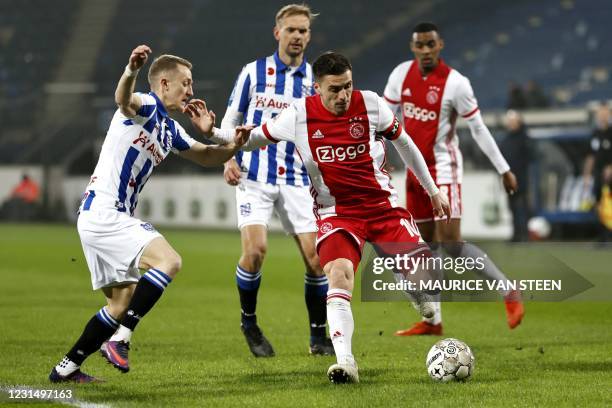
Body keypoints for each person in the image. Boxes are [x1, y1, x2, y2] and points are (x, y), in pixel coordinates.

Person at [206, 51, 451, 383]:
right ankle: (346, 362)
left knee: (427, 280)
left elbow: (404, 144)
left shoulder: (371, 104)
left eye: (348, 86)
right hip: (338, 213)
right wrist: (215, 134)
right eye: (334, 89)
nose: (343, 96)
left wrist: (432, 191)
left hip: (382, 207)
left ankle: (415, 288)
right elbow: (250, 139)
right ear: (317, 87)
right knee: (338, 274)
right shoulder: (298, 115)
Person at [49, 45, 246, 383]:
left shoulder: (171, 129)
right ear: (164, 83)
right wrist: (131, 69)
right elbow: (123, 100)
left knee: (121, 303)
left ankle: (65, 369)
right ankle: (120, 339)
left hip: (101, 216)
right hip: (105, 212)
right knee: (169, 260)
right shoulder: (147, 104)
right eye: (186, 83)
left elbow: (206, 157)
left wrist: (231, 145)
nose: (191, 90)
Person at [383, 22, 524, 336]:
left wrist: (504, 168)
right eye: (420, 45)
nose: (425, 50)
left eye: (430, 44)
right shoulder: (399, 76)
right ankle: (433, 322)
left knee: (451, 243)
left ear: (440, 45)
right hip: (414, 173)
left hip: (444, 170)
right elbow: (384, 120)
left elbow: (478, 129)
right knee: (427, 247)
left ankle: (508, 289)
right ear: (413, 47)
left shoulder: (456, 83)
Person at [220, 4, 333, 357]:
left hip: (298, 178)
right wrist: (227, 156)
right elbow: (230, 118)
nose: (297, 36)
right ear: (277, 32)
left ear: (309, 36)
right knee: (255, 251)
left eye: (303, 31)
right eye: (291, 30)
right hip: (254, 175)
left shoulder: (315, 80)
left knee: (316, 260)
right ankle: (249, 322)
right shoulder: (253, 73)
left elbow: (321, 132)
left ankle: (318, 337)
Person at [502, 110, 531, 242]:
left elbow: (531, 156)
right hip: (508, 179)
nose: (511, 124)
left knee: (523, 207)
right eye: (509, 121)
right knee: (512, 208)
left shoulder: (524, 138)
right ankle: (516, 235)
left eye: (513, 121)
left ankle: (525, 234)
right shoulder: (506, 140)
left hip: (521, 178)